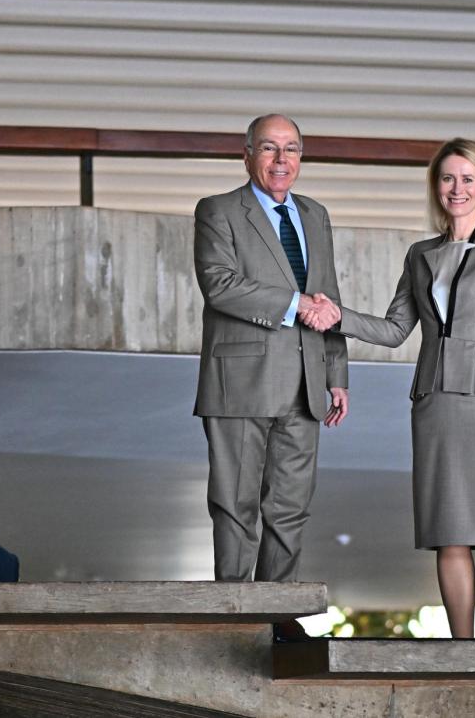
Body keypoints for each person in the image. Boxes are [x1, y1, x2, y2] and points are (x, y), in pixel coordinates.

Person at [303, 138, 475, 638]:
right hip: (433, 402)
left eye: (467, 179)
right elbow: (394, 329)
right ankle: (463, 650)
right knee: (448, 531)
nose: (457, 188)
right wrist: (339, 317)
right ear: (436, 186)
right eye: (448, 178)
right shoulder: (420, 254)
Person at [193, 115, 349, 610]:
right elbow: (220, 285)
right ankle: (235, 614)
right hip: (240, 382)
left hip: (307, 382)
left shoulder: (316, 214)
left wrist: (336, 373)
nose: (282, 160)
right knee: (235, 506)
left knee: (290, 508)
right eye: (269, 148)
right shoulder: (218, 210)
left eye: (292, 149)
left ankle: (276, 615)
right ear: (246, 155)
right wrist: (295, 304)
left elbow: (329, 295)